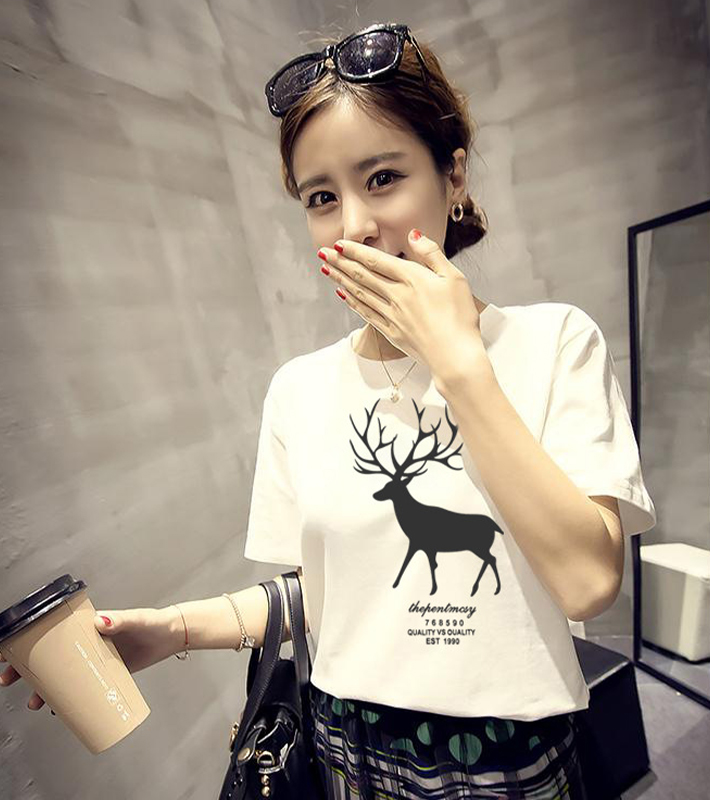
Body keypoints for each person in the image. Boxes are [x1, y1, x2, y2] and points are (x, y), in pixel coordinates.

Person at [1, 21, 657, 800]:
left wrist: (459, 366)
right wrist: (172, 631)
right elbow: (329, 591)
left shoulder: (554, 343)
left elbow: (587, 582)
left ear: (453, 175)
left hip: (504, 763)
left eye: (382, 178)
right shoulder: (299, 390)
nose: (353, 227)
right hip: (341, 750)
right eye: (321, 198)